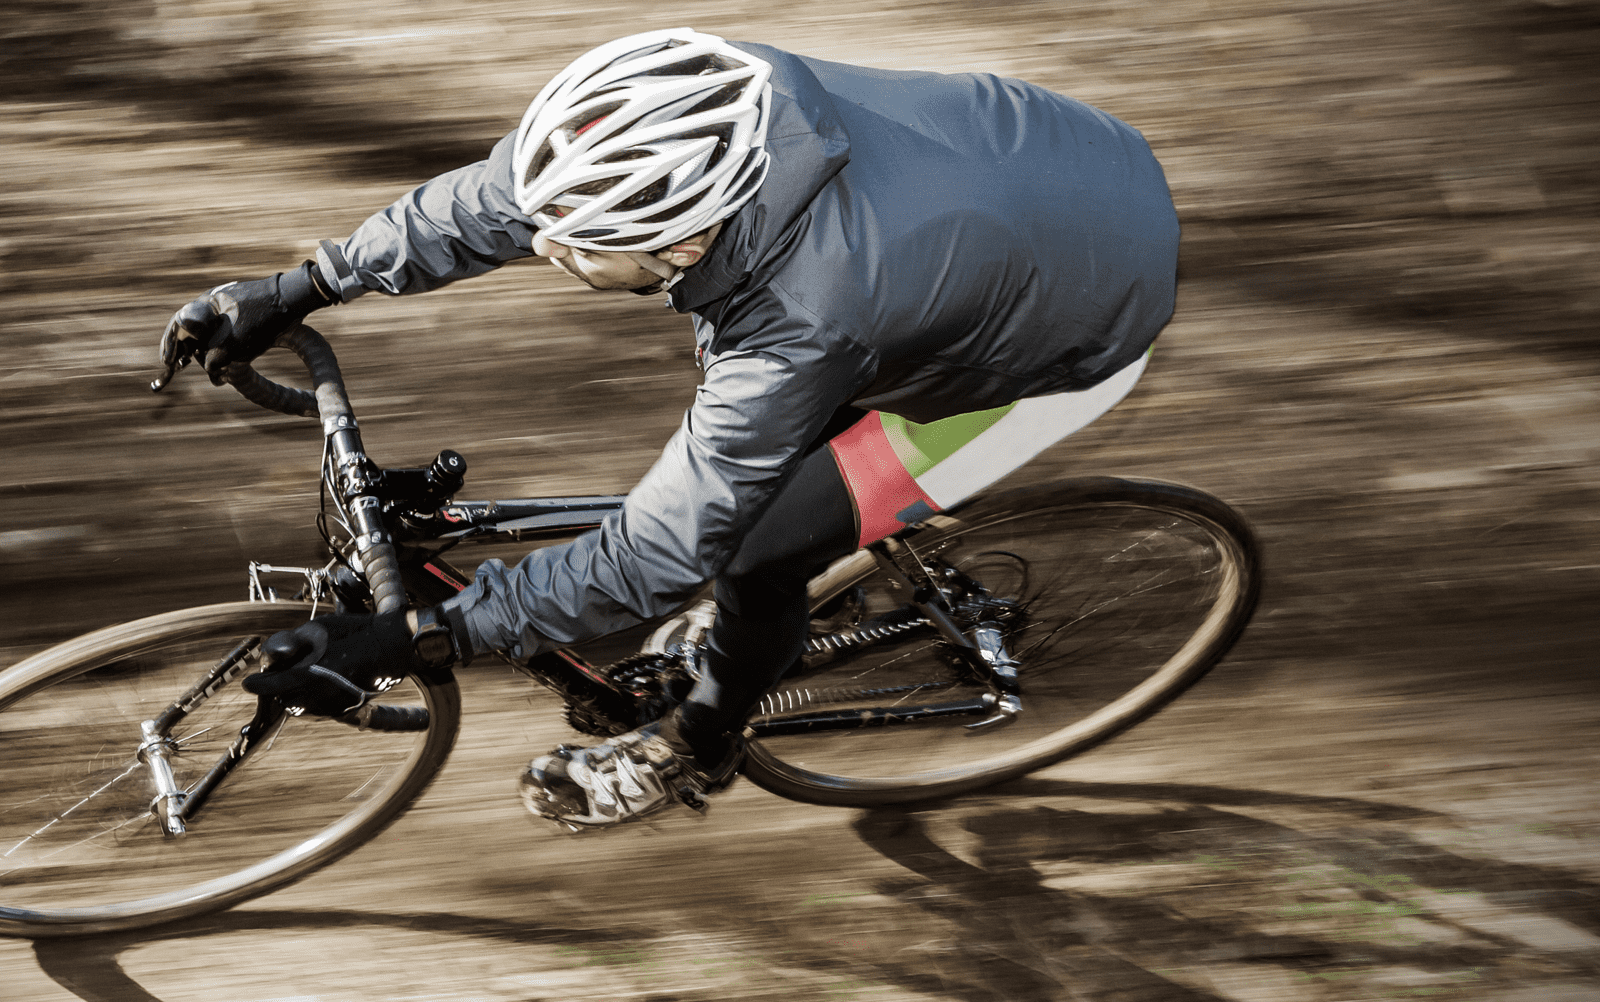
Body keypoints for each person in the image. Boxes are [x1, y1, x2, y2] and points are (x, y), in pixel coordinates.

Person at [159, 28, 1178, 829]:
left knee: (757, 549)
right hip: (1053, 169)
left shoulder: (806, 316)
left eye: (581, 251)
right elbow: (495, 201)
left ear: (689, 234)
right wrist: (306, 282)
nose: (547, 248)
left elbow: (658, 552)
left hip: (1065, 339)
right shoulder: (692, 109)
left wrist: (425, 634)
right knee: (752, 471)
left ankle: (700, 739)